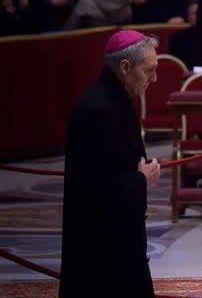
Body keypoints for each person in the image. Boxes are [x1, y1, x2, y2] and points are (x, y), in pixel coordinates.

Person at [59, 30, 161, 297]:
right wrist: (141, 179)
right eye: (149, 70)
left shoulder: (117, 98)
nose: (155, 78)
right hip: (100, 247)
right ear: (125, 67)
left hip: (120, 237)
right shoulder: (97, 110)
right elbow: (94, 186)